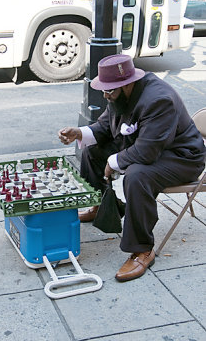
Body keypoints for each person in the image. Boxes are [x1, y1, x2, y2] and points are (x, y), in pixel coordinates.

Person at [58, 54, 205, 282]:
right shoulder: (121, 95)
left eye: (110, 91)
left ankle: (143, 249)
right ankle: (101, 207)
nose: (106, 95)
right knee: (92, 150)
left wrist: (113, 162)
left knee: (137, 176)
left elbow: (147, 152)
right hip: (152, 146)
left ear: (126, 84)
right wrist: (80, 133)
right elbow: (107, 125)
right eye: (104, 90)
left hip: (182, 157)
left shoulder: (158, 99)